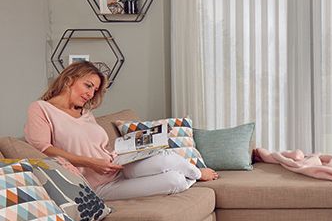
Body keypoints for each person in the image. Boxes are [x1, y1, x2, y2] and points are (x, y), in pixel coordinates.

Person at [24, 61, 218, 201]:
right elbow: (44, 149)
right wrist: (91, 163)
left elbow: (97, 145)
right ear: (68, 80)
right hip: (97, 185)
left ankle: (197, 173)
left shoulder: (85, 113)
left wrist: (125, 152)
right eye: (88, 86)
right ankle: (195, 175)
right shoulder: (41, 109)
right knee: (174, 181)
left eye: (94, 90)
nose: (90, 94)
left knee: (166, 158)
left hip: (117, 163)